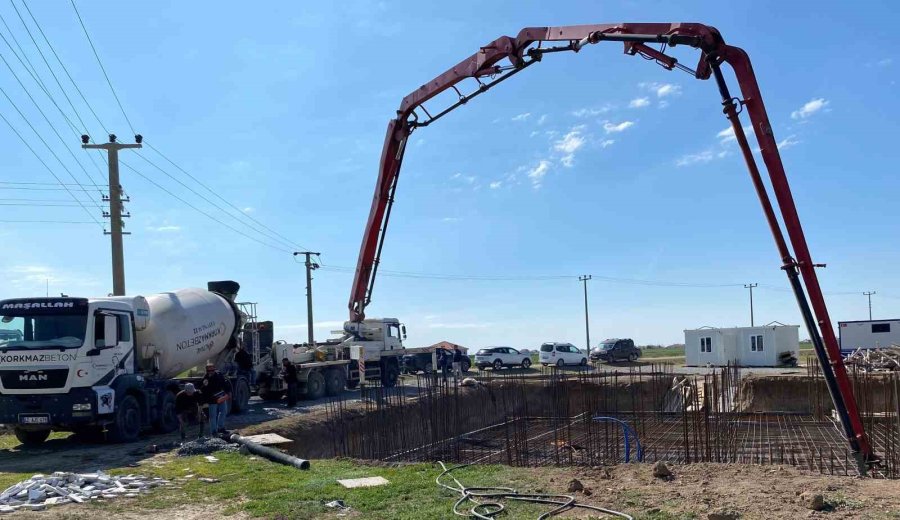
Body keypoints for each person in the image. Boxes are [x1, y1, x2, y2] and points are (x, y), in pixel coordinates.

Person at [200, 361, 230, 436]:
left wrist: (227, 393)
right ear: (206, 371)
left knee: (223, 412)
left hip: (221, 396)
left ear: (214, 369)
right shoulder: (205, 378)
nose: (210, 372)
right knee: (213, 416)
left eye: (212, 370)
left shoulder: (219, 375)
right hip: (212, 399)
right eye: (209, 371)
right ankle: (214, 431)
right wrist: (205, 385)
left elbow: (224, 383)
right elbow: (203, 390)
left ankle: (221, 427)